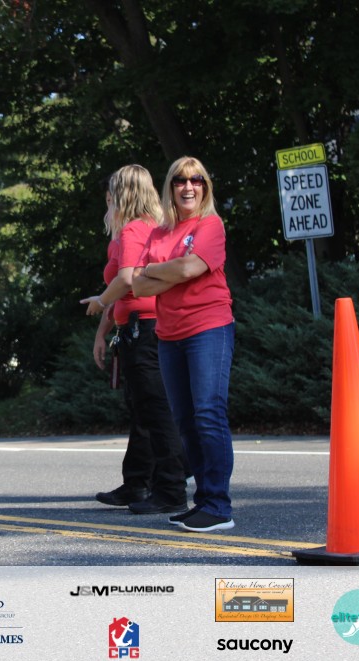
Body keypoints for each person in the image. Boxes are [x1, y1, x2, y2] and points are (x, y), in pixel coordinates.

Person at [132, 156, 235, 533]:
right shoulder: (160, 233)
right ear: (170, 188)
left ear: (205, 187)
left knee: (208, 414)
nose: (188, 186)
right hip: (168, 335)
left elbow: (191, 268)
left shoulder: (211, 225)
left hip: (208, 328)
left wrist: (158, 270)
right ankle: (203, 502)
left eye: (196, 180)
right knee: (185, 421)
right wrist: (174, 269)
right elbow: (137, 284)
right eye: (180, 180)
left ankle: (219, 506)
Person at [80, 165, 188, 515]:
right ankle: (139, 482)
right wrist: (103, 330)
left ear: (122, 193)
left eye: (112, 192)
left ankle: (170, 488)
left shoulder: (133, 230)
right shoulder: (149, 228)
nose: (108, 199)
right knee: (144, 410)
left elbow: (126, 280)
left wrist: (100, 302)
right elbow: (123, 292)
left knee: (155, 409)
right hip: (140, 326)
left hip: (146, 329)